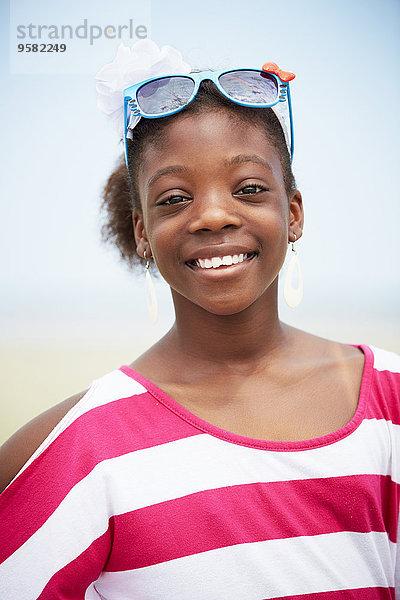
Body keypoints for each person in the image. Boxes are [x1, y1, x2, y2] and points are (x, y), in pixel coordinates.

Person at [1, 39, 399, 599]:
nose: (213, 214)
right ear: (142, 231)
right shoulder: (83, 444)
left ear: (293, 212)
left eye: (250, 189)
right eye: (173, 199)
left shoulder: (389, 399)